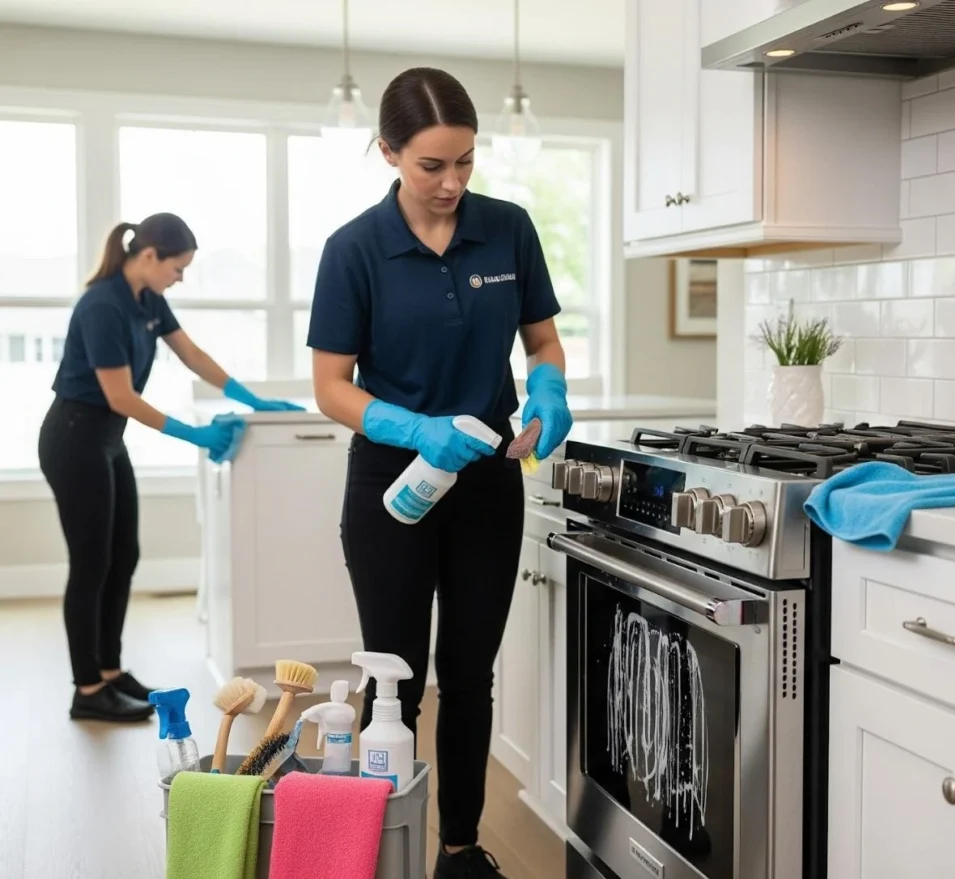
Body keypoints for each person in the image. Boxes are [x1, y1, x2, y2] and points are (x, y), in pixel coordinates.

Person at [308, 66, 573, 879]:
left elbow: (542, 341)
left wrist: (551, 390)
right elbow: (330, 386)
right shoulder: (354, 249)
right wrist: (411, 424)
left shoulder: (509, 229)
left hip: (489, 484)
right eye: (432, 165)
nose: (453, 182)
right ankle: (374, 847)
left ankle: (459, 849)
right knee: (396, 676)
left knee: (469, 674)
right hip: (394, 486)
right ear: (388, 152)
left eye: (466, 161)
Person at [39, 212, 303, 724]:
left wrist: (250, 398)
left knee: (124, 555)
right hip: (75, 440)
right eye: (177, 268)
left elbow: (192, 354)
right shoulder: (102, 306)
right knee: (91, 564)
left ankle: (111, 673)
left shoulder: (147, 300)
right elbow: (121, 396)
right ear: (149, 256)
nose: (179, 278)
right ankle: (87, 689)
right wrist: (196, 435)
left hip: (106, 441)